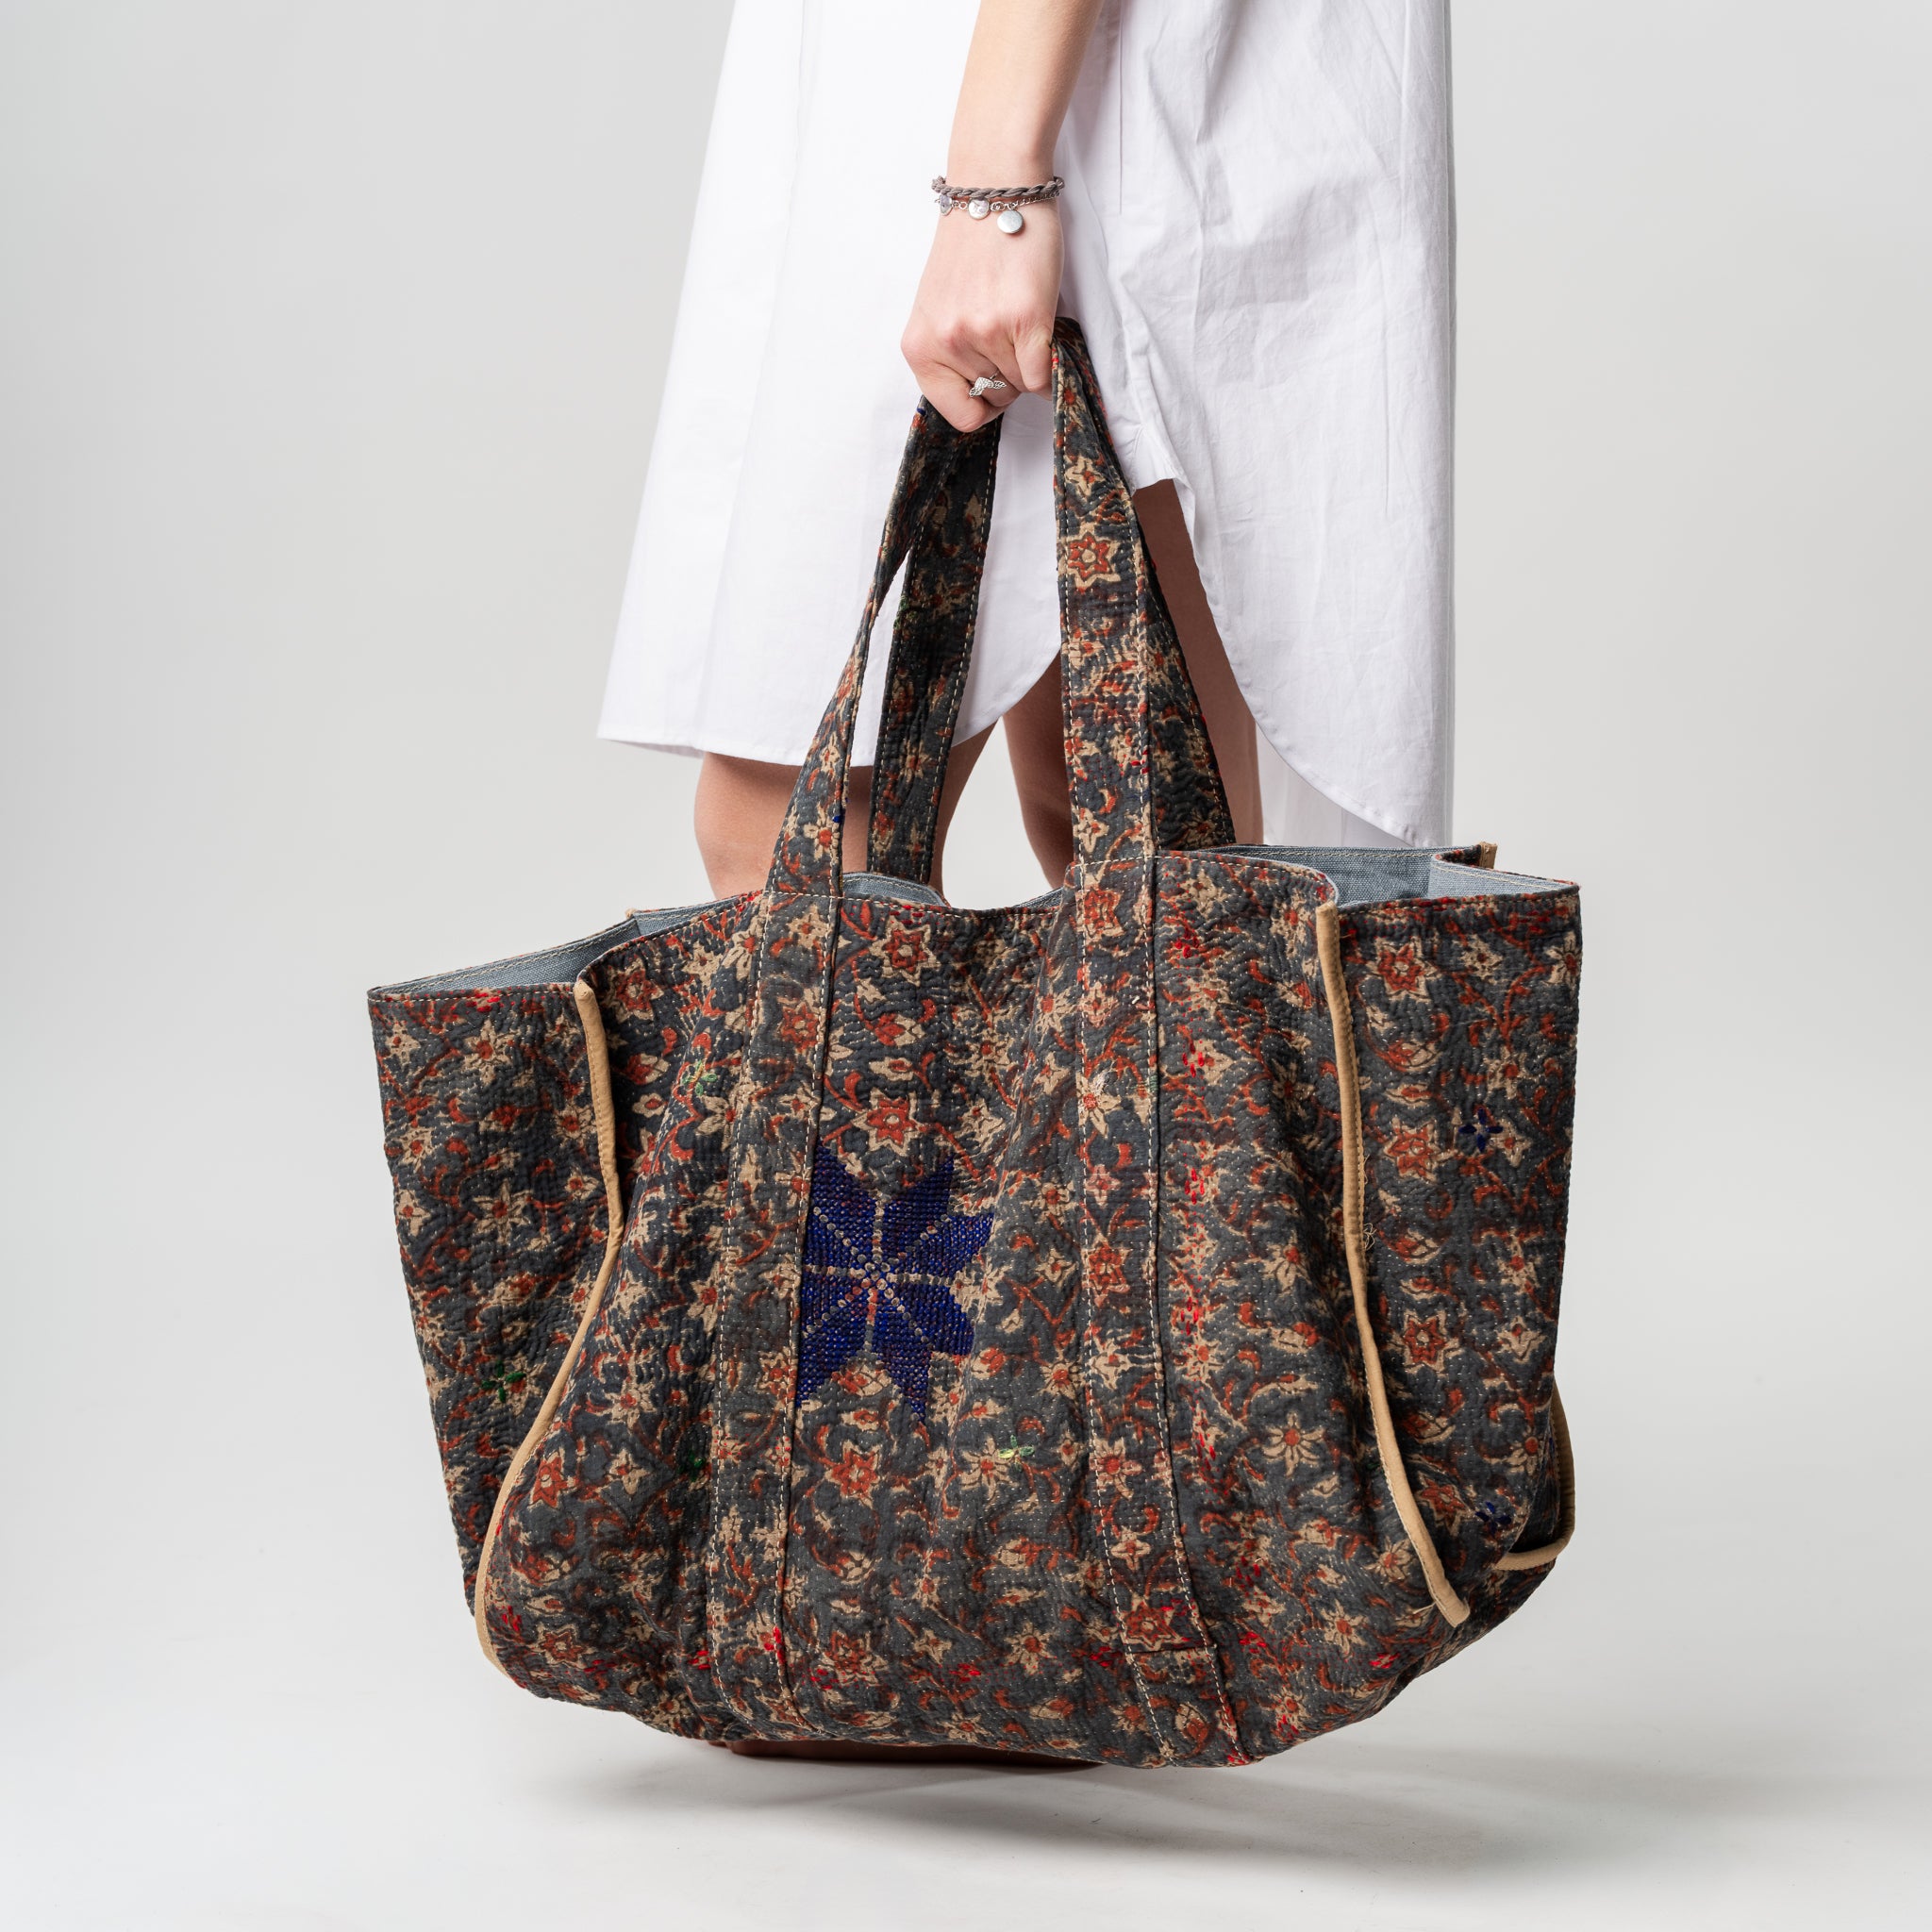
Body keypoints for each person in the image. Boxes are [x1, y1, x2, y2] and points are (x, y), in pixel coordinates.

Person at [602, 0, 1454, 900]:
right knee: (1137, 847)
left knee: (802, 850)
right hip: (1015, 99)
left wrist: (994, 188)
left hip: (1019, 107)